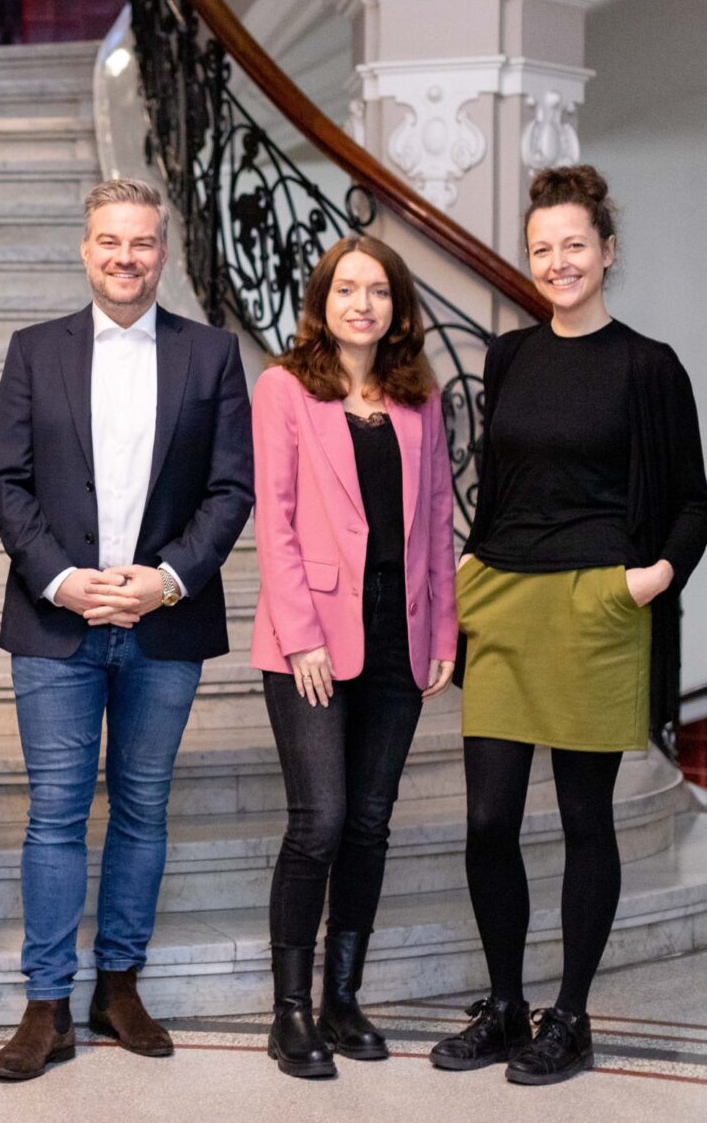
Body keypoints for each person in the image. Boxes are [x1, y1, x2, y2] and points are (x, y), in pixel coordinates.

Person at [431, 165, 707, 1086]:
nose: (558, 262)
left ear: (608, 251)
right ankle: (508, 1006)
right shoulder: (509, 355)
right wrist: (471, 565)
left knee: (586, 819)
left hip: (597, 606)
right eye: (542, 248)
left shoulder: (647, 366)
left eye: (575, 246)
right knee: (487, 821)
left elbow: (692, 504)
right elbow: (501, 484)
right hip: (506, 600)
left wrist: (649, 580)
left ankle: (573, 1015)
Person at [0, 178, 254, 1080]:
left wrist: (166, 581)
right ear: (85, 248)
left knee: (142, 809)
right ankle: (47, 1002)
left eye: (140, 243)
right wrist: (62, 581)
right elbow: (7, 484)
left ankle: (120, 987)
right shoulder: (33, 351)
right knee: (55, 815)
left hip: (162, 624)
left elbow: (230, 490)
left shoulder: (211, 355)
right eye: (109, 241)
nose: (124, 257)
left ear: (162, 253)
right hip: (57, 625)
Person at [249, 237, 458, 1078]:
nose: (362, 304)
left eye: (378, 291)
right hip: (311, 641)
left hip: (397, 638)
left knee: (371, 824)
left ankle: (343, 998)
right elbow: (276, 518)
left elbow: (439, 520)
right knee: (321, 821)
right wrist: (300, 634)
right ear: (323, 302)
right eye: (347, 289)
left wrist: (442, 633)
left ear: (397, 309)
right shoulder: (284, 388)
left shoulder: (420, 399)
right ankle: (290, 1011)